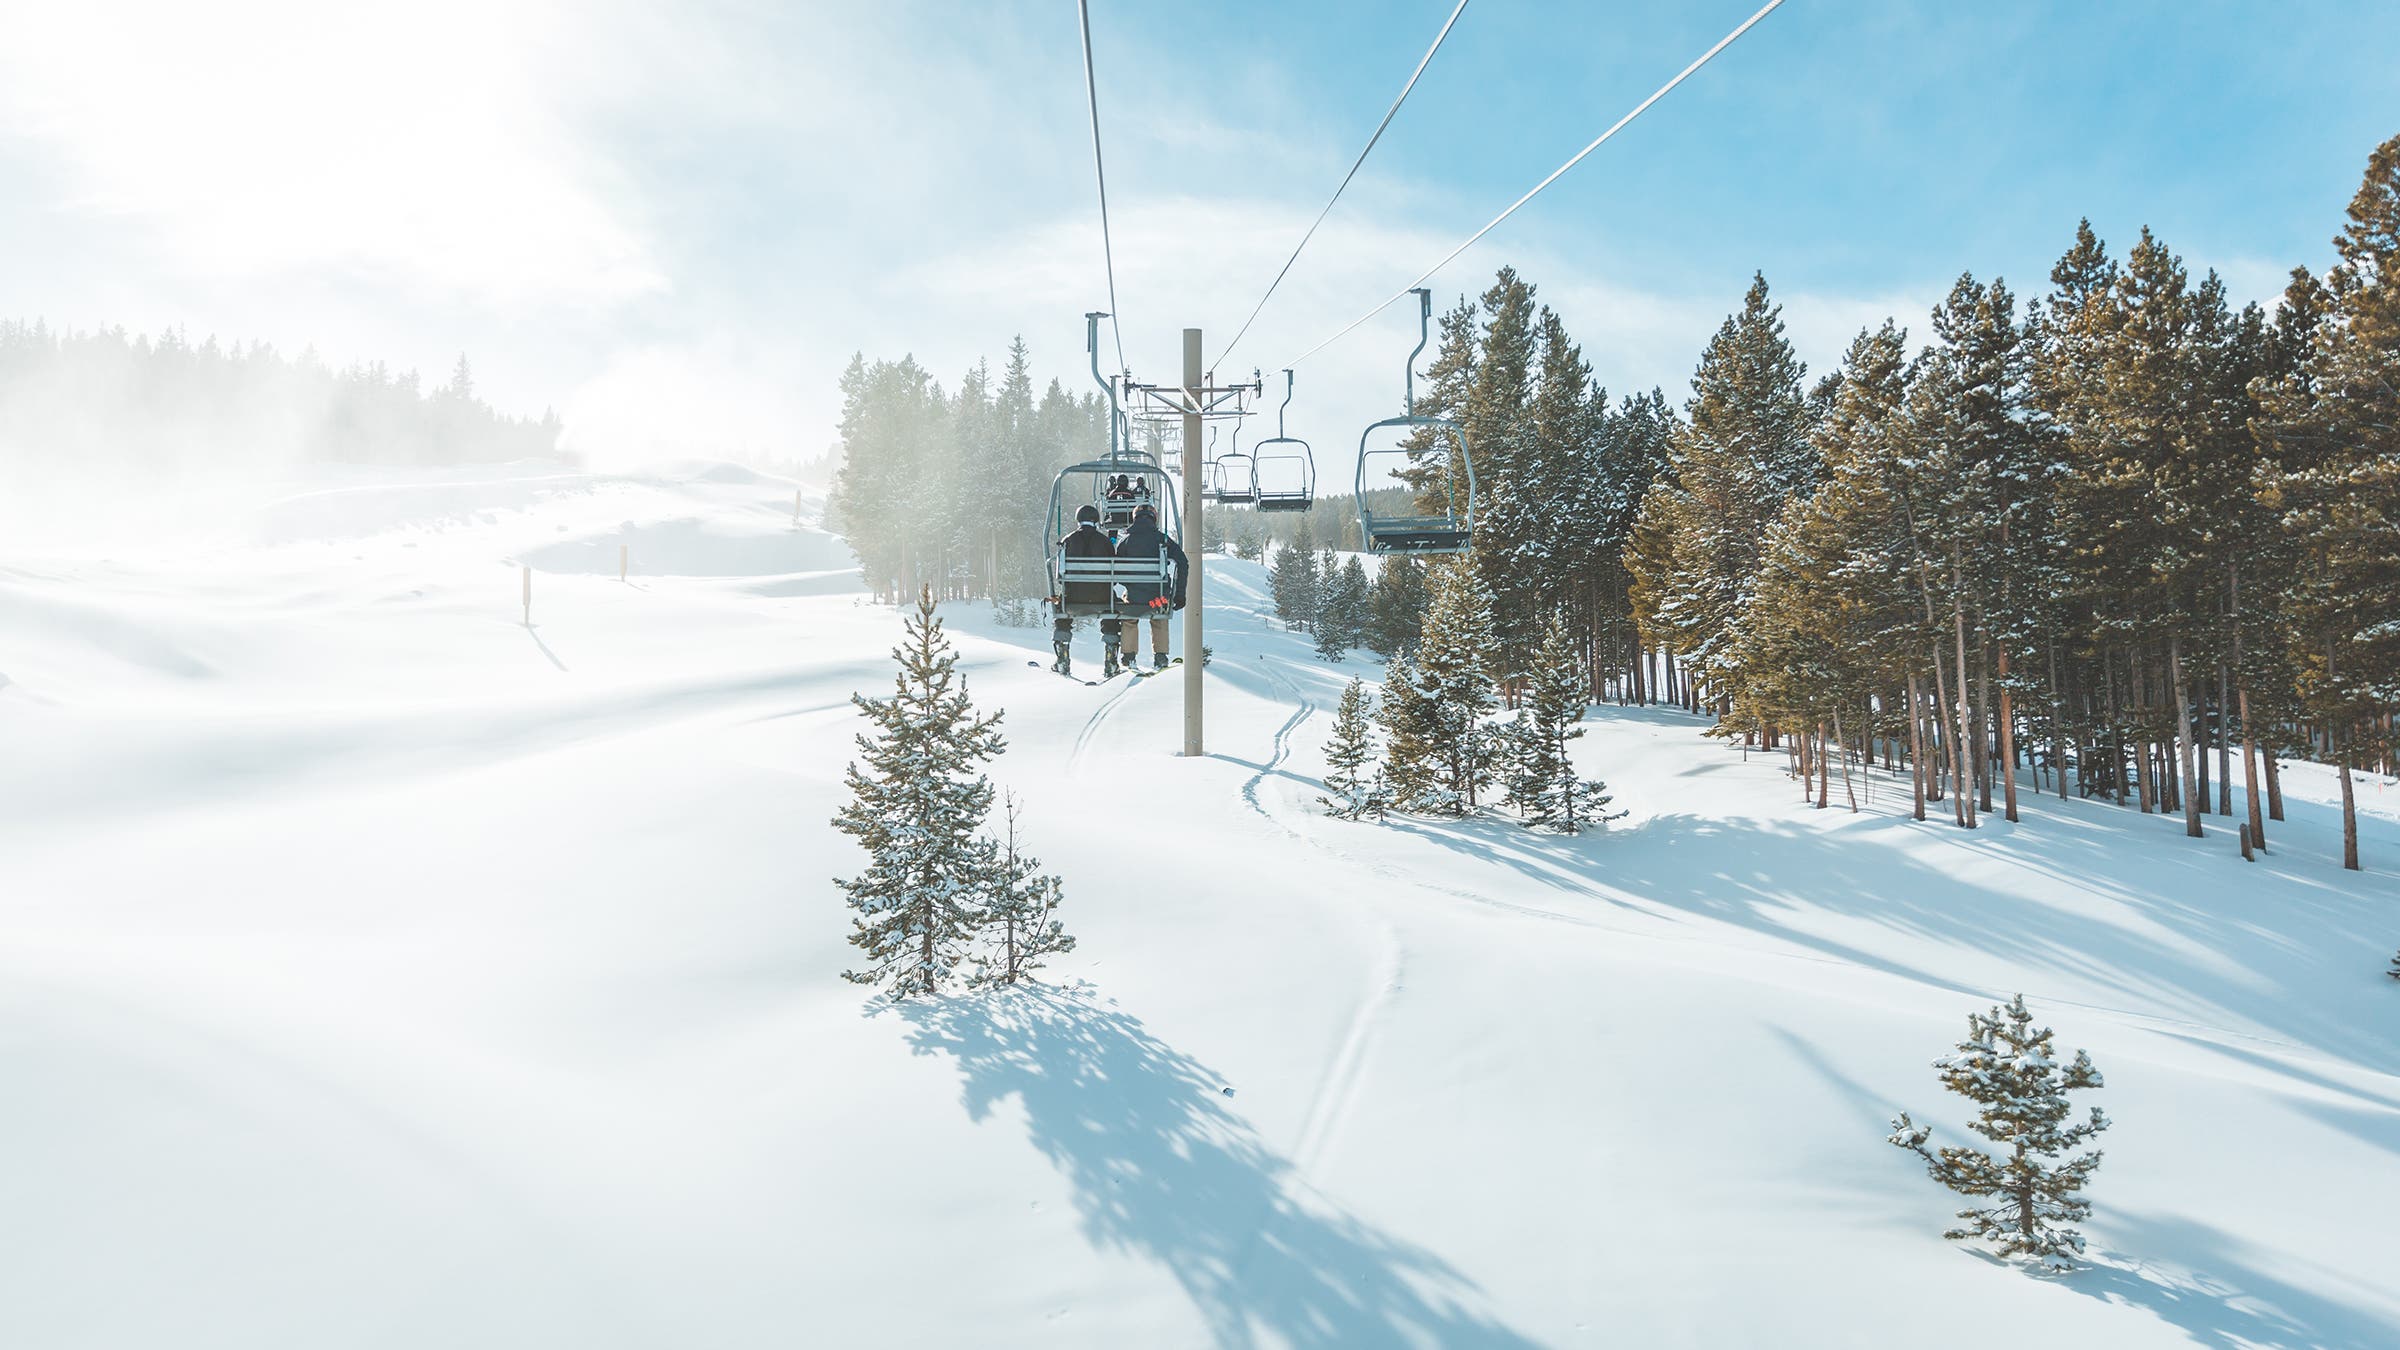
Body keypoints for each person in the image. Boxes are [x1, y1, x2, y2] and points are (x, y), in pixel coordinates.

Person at [1112, 502, 1188, 671]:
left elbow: (1116, 569)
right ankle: (1160, 656)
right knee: (1159, 615)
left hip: (1134, 599)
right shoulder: (1163, 539)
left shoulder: (1125, 541)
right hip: (1157, 599)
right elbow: (1182, 562)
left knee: (1130, 617)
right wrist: (1179, 594)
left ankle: (1129, 656)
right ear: (1154, 518)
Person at [1053, 504, 1123, 676]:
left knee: (1062, 610)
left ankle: (1062, 654)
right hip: (1102, 597)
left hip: (1073, 597)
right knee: (1111, 611)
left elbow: (1059, 575)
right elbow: (1114, 574)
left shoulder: (1067, 541)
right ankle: (1111, 657)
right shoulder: (1105, 542)